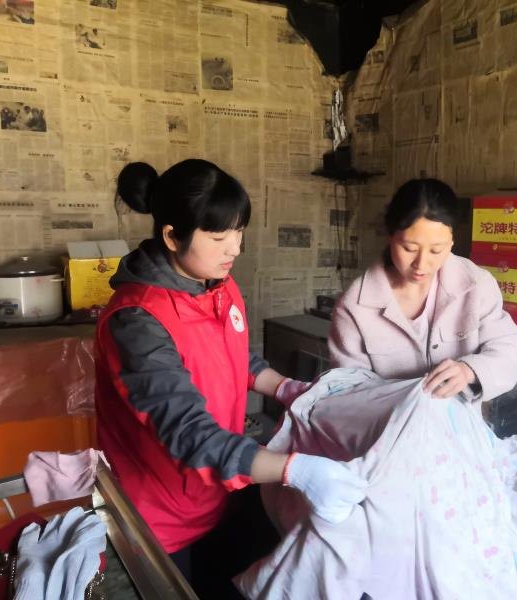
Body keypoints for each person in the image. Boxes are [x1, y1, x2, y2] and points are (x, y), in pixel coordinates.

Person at [94, 159, 367, 597]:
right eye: (219, 237)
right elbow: (189, 434)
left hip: (221, 495)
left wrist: (285, 387)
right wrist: (294, 469)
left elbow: (233, 356)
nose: (235, 248)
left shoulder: (217, 285)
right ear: (172, 236)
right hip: (160, 520)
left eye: (239, 232)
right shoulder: (137, 321)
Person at [329, 178, 517, 402]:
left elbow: (509, 351)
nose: (421, 264)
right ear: (390, 236)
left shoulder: (476, 285)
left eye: (436, 250)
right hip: (387, 422)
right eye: (409, 248)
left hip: (458, 422)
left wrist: (469, 370)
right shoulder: (355, 305)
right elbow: (348, 389)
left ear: (451, 241)